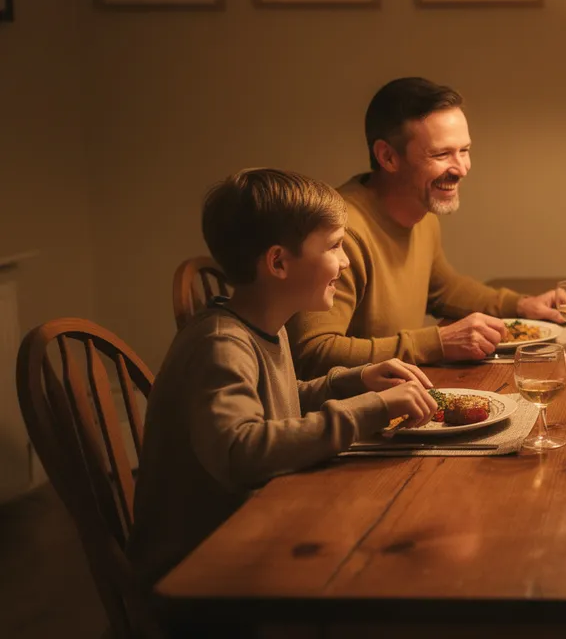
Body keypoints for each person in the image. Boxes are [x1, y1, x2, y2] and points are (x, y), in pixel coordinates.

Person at [129, 169, 440, 587]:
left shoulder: (264, 325)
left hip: (254, 530)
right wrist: (370, 409)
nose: (345, 261)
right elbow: (240, 452)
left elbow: (279, 400)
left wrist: (357, 380)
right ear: (278, 262)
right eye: (334, 246)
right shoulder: (221, 343)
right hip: (201, 569)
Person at [288, 77, 565, 377]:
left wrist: (522, 306)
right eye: (441, 154)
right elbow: (313, 351)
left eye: (464, 150)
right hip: (356, 405)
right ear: (388, 157)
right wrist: (437, 342)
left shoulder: (422, 211)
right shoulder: (341, 231)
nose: (461, 168)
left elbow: (443, 289)